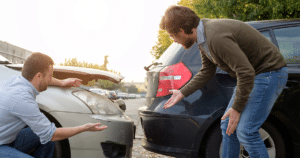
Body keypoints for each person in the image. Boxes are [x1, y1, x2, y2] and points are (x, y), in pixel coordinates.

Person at [161, 5, 288, 158]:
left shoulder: (215, 37)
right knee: (228, 125)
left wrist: (236, 108)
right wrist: (182, 92)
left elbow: (245, 72)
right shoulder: (203, 37)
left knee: (246, 131)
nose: (173, 40)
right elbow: (207, 71)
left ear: (182, 30)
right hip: (254, 75)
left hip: (268, 73)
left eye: (171, 35)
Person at [0, 52, 108, 158]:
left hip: (7, 139)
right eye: (50, 76)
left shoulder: (16, 81)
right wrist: (84, 127)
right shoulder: (22, 99)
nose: (50, 79)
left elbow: (48, 135)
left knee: (45, 137)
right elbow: (53, 134)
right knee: (50, 135)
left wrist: (62, 83)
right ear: (39, 76)